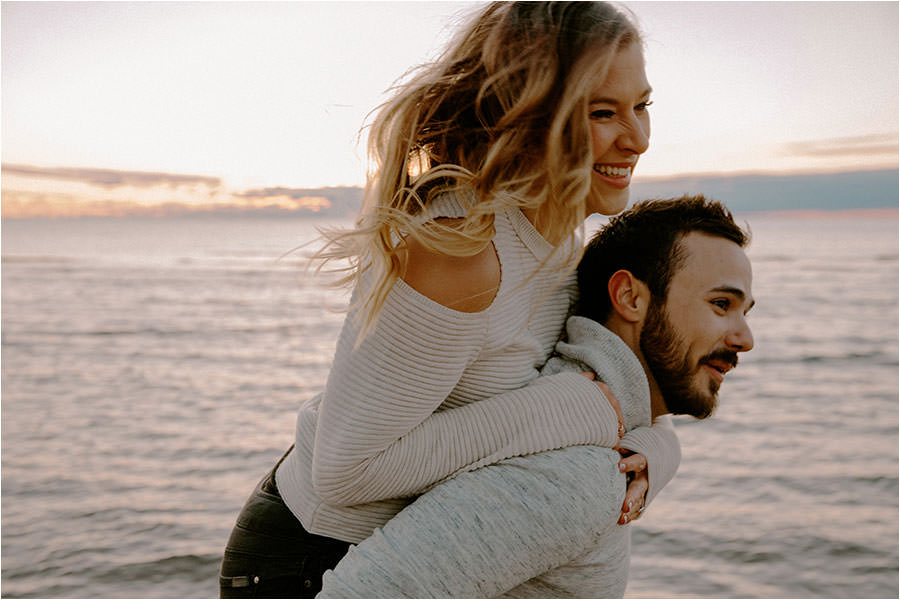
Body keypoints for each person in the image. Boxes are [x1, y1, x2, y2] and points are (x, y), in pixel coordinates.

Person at [220, 3, 680, 597]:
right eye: (602, 112)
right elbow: (345, 472)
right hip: (311, 561)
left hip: (416, 557)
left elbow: (602, 381)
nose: (638, 138)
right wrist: (566, 411)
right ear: (533, 115)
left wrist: (654, 449)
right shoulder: (458, 249)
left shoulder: (563, 239)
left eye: (642, 106)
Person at [317, 196, 756, 598]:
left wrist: (662, 445)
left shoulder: (605, 429)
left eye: (744, 311)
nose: (745, 338)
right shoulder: (575, 475)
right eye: (721, 304)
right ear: (628, 297)